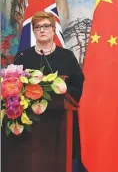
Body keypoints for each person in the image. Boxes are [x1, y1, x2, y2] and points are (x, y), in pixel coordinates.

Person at [13, 11, 86, 172]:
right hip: (31, 125)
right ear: (33, 31)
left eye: (46, 26)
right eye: (37, 27)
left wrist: (65, 91)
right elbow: (14, 87)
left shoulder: (66, 56)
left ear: (53, 29)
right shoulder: (23, 57)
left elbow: (78, 85)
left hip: (62, 121)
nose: (42, 30)